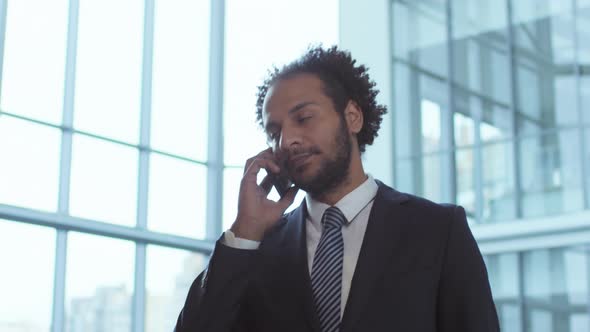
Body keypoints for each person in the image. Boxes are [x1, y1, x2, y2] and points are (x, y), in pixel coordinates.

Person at [174, 46, 500, 332]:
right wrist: (245, 231)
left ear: (353, 117)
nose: (287, 141)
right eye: (274, 132)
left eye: (303, 118)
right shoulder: (257, 250)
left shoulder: (438, 231)